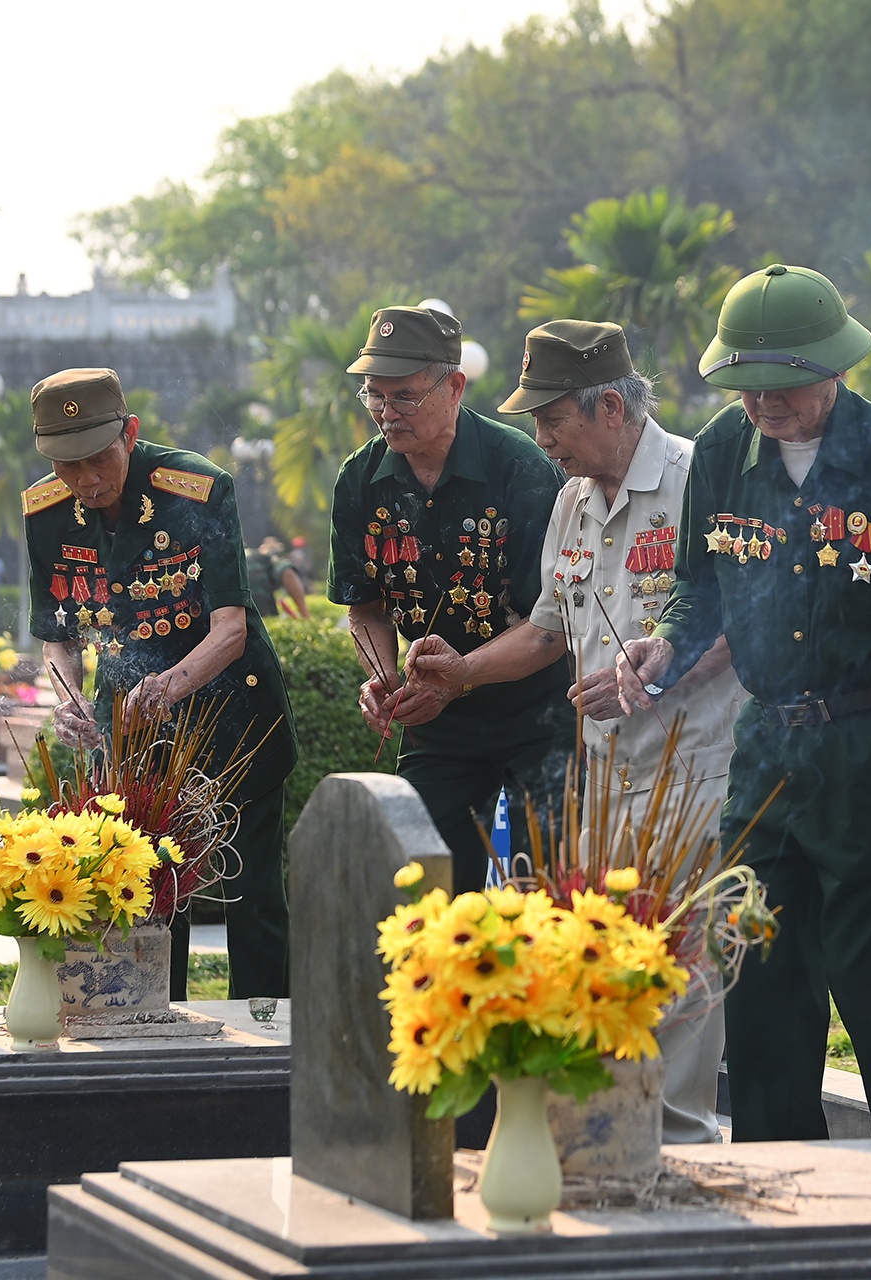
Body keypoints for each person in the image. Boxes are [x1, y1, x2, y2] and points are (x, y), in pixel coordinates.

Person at [614, 264, 871, 1142]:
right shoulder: (721, 452)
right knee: (758, 976)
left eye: (784, 387)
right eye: (746, 387)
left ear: (835, 369)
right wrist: (667, 642)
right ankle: (778, 1190)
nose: (765, 406)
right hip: (765, 754)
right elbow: (697, 587)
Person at [406, 319, 746, 1143]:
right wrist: (465, 672)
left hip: (689, 770)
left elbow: (740, 618)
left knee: (685, 962)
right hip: (597, 775)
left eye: (551, 419)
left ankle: (681, 1142)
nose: (543, 439)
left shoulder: (703, 477)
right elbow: (548, 631)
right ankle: (613, 1134)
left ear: (607, 407)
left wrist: (657, 675)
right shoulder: (571, 501)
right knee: (609, 960)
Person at [21, 367, 297, 999]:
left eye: (98, 461)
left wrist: (170, 684)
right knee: (144, 886)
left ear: (131, 434)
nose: (86, 481)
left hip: (234, 715)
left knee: (250, 893)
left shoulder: (197, 492)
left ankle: (264, 1034)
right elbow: (59, 635)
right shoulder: (46, 513)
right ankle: (151, 1023)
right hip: (133, 729)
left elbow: (230, 628)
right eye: (68, 467)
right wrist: (66, 700)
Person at [328, 305, 573, 891]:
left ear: (455, 385)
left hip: (536, 708)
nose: (387, 414)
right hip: (434, 715)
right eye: (374, 397)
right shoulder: (360, 480)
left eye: (404, 397)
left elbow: (552, 625)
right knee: (422, 882)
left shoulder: (522, 469)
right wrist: (384, 680)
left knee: (544, 887)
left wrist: (459, 677)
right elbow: (365, 608)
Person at [245, 536, 309, 619]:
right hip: (259, 606)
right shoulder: (266, 558)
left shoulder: (237, 557)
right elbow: (288, 574)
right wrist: (305, 615)